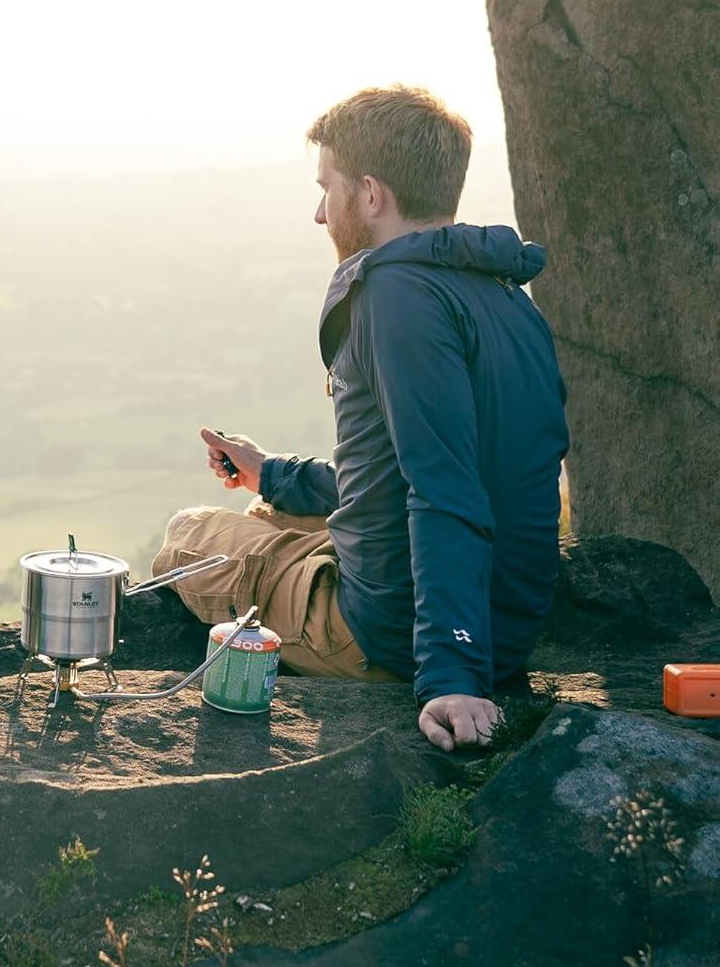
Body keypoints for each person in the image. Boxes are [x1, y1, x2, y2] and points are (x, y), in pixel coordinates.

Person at [154, 86, 568, 752]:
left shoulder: (393, 297)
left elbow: (443, 489)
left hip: (391, 633)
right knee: (264, 515)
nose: (320, 213)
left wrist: (452, 675)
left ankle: (374, 635)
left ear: (371, 195)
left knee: (187, 535)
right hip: (506, 619)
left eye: (328, 189)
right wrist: (274, 476)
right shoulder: (503, 294)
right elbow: (417, 469)